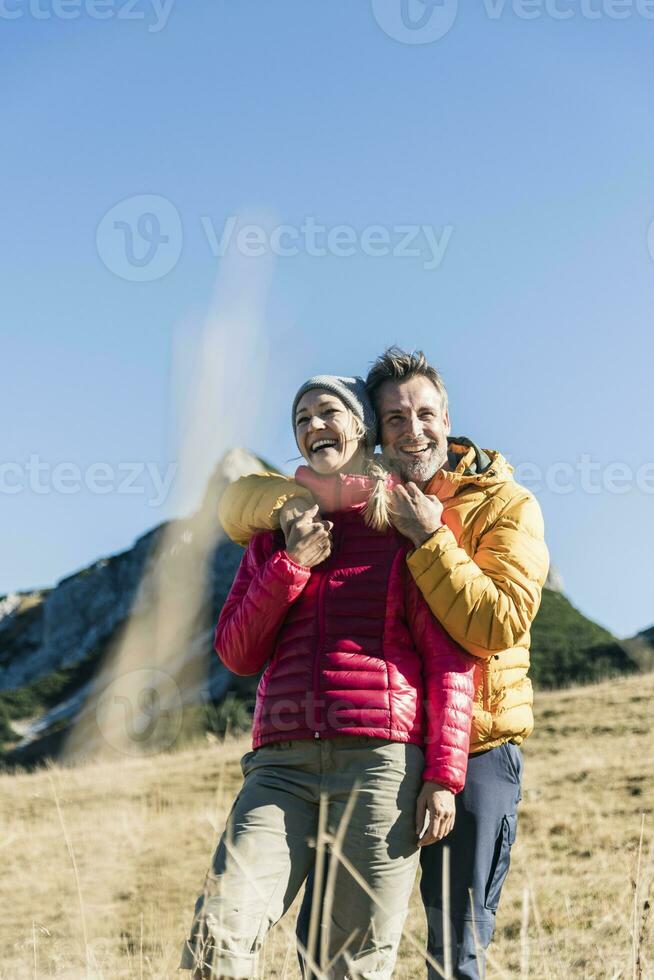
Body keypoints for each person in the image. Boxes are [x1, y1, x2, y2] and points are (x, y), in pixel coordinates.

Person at [218, 350, 549, 980]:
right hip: (375, 750)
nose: (413, 429)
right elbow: (237, 502)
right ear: (375, 428)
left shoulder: (498, 502)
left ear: (447, 418)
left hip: (471, 745)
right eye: (395, 418)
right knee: (332, 947)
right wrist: (281, 507)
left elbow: (493, 629)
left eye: (425, 414)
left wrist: (432, 539)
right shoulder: (346, 508)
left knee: (453, 947)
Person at [181, 375, 475, 980]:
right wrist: (290, 565)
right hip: (280, 767)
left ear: (361, 426)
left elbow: (449, 659)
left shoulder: (405, 526)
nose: (314, 425)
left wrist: (444, 775)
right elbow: (236, 652)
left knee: (345, 966)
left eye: (328, 412)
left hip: (380, 766)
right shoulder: (275, 534)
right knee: (218, 933)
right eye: (302, 418)